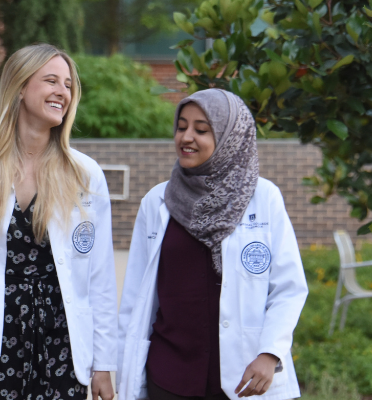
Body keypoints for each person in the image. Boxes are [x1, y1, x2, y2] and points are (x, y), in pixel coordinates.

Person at [0, 43, 117, 400]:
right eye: (50, 80)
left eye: (67, 85)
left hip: (62, 341)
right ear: (19, 87)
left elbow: (100, 278)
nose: (62, 92)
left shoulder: (85, 174)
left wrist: (104, 363)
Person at [115, 88, 308, 400]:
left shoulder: (263, 197)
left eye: (201, 130)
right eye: (182, 127)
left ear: (232, 136)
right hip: (169, 376)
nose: (187, 137)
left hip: (246, 377)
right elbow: (136, 298)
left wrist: (270, 353)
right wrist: (123, 372)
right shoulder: (157, 202)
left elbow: (288, 288)